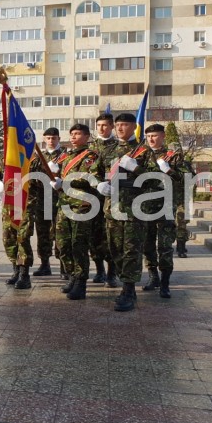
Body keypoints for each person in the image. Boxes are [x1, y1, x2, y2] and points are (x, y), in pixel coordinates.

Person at [96, 113, 150, 312]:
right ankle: (124, 281)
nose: (120, 128)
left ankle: (128, 289)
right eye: (117, 125)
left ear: (133, 126)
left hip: (134, 209)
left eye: (124, 125)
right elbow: (95, 171)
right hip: (112, 208)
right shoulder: (109, 150)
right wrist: (99, 184)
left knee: (131, 251)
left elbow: (157, 180)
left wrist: (136, 169)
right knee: (115, 249)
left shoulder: (144, 151)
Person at [51, 124, 100, 300]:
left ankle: (81, 281)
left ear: (87, 137)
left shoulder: (90, 156)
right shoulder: (66, 156)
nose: (73, 137)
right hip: (64, 204)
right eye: (71, 134)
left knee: (78, 244)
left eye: (78, 134)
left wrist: (64, 182)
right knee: (63, 244)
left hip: (82, 205)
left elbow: (90, 177)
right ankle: (71, 275)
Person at [140, 125, 183, 299]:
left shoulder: (173, 155)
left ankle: (165, 283)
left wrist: (169, 170)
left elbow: (186, 177)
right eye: (148, 136)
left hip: (165, 207)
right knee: (147, 244)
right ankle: (153, 277)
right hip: (145, 206)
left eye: (155, 136)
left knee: (164, 246)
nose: (151, 139)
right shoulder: (141, 155)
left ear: (163, 136)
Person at [29, 127, 63, 277]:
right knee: (42, 233)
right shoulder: (37, 157)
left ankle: (64, 266)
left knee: (60, 234)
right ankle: (45, 264)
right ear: (44, 139)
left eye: (54, 138)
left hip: (58, 201)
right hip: (41, 201)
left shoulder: (64, 156)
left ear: (58, 139)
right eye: (48, 138)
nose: (51, 141)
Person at [88, 113, 117, 285]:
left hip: (113, 198)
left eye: (105, 125)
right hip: (92, 199)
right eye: (99, 125)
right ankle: (99, 270)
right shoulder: (90, 148)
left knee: (112, 237)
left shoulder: (118, 146)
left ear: (112, 126)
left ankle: (112, 273)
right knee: (94, 237)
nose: (101, 128)